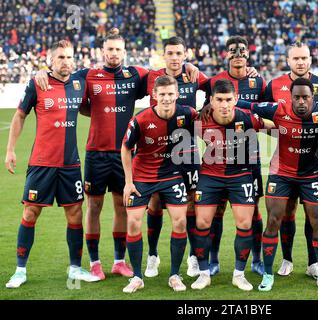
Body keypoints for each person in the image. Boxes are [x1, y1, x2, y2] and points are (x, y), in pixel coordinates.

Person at [35, 28, 149, 280]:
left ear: (124, 51)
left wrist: (190, 68)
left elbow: (166, 78)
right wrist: (40, 71)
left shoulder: (136, 75)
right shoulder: (88, 76)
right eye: (109, 49)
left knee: (122, 206)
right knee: (94, 206)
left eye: (118, 49)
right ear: (102, 51)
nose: (114, 54)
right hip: (96, 153)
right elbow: (59, 76)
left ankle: (119, 261)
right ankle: (95, 262)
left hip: (124, 154)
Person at [238, 78, 318, 291]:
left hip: (311, 175)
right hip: (281, 174)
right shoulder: (278, 109)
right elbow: (247, 105)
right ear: (290, 97)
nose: (301, 101)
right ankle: (268, 275)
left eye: (305, 97)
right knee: (274, 220)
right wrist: (211, 105)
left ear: (312, 98)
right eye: (296, 97)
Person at [4, 40, 101, 288]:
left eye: (69, 57)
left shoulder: (80, 82)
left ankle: (75, 268)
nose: (66, 62)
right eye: (60, 58)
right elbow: (20, 115)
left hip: (70, 164)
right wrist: (10, 150)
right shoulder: (38, 83)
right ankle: (20, 270)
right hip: (42, 163)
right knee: (30, 212)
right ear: (50, 61)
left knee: (75, 214)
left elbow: (93, 103)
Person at [190, 79, 269, 291]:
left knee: (245, 224)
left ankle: (239, 274)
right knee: (203, 223)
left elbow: (273, 125)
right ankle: (204, 273)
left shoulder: (248, 118)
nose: (224, 104)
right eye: (219, 100)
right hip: (210, 176)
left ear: (236, 100)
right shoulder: (199, 120)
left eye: (228, 100)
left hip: (240, 175)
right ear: (211, 101)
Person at [264, 41, 318, 278]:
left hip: (314, 161)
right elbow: (261, 115)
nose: (300, 62)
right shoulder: (273, 85)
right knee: (286, 212)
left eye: (304, 58)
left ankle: (314, 263)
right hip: (283, 161)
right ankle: (287, 259)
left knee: (314, 213)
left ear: (311, 59)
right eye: (296, 59)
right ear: (288, 60)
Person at [121, 75, 196, 293]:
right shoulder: (141, 119)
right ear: (154, 95)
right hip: (142, 177)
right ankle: (137, 276)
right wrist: (128, 182)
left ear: (177, 94)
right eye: (162, 94)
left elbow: (209, 121)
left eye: (170, 94)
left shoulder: (187, 114)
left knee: (180, 222)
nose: (166, 98)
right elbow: (126, 148)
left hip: (172, 175)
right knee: (133, 223)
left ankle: (174, 275)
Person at [144, 36, 208, 279]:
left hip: (188, 152)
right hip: (157, 154)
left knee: (192, 203)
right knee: (155, 204)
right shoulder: (150, 77)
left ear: (185, 54)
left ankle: (193, 256)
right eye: (169, 53)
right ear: (164, 55)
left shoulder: (194, 76)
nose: (174, 57)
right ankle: (152, 255)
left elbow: (217, 88)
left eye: (178, 53)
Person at [203, 36, 267, 277]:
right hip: (217, 154)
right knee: (216, 210)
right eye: (233, 50)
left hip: (249, 155)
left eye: (242, 50)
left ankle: (257, 260)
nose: (238, 53)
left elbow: (267, 110)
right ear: (226, 54)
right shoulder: (215, 81)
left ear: (248, 54)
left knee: (254, 209)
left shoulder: (258, 81)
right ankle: (213, 260)